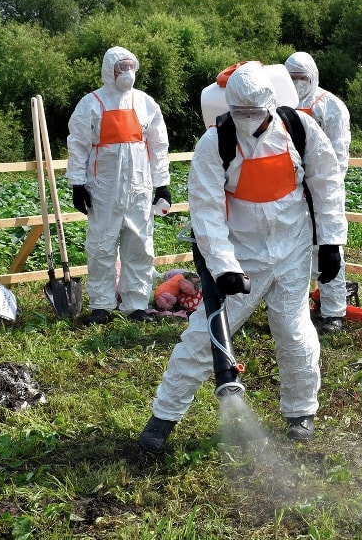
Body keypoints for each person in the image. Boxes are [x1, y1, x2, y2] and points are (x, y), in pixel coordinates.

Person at [138, 62, 347, 455]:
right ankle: (162, 419)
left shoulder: (300, 131)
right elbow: (207, 211)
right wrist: (224, 268)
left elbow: (326, 183)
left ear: (271, 103)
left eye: (255, 112)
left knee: (293, 331)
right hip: (241, 257)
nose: (248, 119)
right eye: (241, 113)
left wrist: (332, 242)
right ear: (228, 107)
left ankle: (301, 412)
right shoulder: (213, 144)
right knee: (205, 336)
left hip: (292, 248)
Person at [66, 46, 171, 325]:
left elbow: (158, 146)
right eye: (120, 68)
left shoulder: (146, 103)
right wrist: (77, 183)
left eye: (129, 67)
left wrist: (162, 183)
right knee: (101, 248)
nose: (126, 73)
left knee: (140, 247)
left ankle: (136, 304)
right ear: (108, 70)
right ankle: (101, 306)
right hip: (103, 190)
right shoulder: (91, 104)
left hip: (139, 190)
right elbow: (78, 146)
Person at [285, 51, 352, 335]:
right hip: (288, 189)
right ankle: (296, 308)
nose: (297, 83)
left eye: (302, 78)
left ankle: (333, 311)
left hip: (322, 188)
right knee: (292, 250)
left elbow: (338, 154)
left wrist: (323, 185)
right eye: (291, 78)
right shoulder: (281, 104)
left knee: (328, 247)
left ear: (313, 76)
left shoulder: (329, 106)